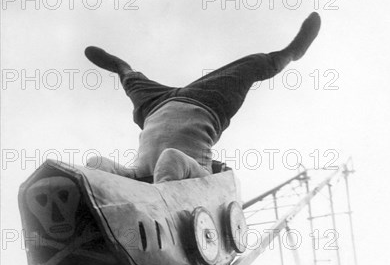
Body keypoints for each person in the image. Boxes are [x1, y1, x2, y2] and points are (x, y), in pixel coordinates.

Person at [84, 12, 321, 183]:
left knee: (102, 160)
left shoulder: (173, 178)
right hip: (205, 100)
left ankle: (291, 53)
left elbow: (170, 162)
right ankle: (121, 67)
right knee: (250, 66)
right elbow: (173, 162)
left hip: (155, 107)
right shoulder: (201, 176)